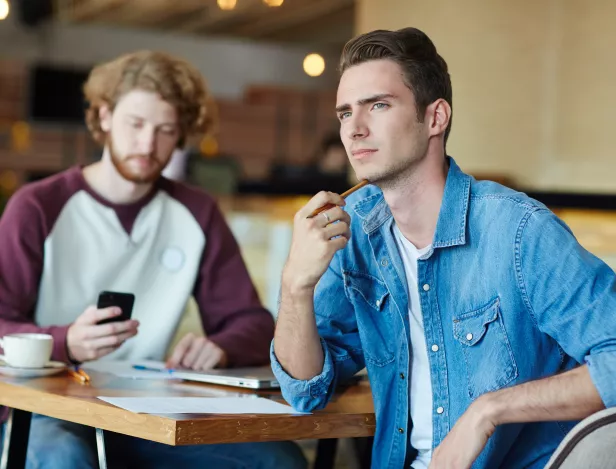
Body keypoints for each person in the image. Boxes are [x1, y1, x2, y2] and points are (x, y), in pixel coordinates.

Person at [271, 26, 616, 469]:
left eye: (378, 105)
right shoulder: (356, 230)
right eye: (344, 113)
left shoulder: (517, 230)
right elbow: (304, 388)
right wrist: (295, 283)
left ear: (435, 118)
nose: (354, 130)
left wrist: (488, 412)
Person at [0, 50, 306, 469]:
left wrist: (219, 346)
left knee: (275, 460)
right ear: (104, 117)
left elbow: (252, 322)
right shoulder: (37, 206)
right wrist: (65, 342)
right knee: (61, 457)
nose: (148, 144)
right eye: (136, 124)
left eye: (165, 130)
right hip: (44, 408)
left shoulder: (197, 213)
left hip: (142, 413)